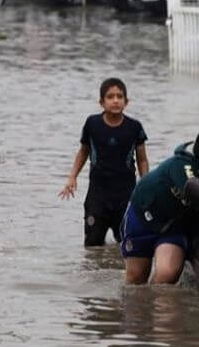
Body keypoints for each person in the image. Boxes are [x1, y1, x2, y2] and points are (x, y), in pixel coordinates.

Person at [120, 127, 199, 285]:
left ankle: (157, 307)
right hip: (142, 218)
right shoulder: (182, 166)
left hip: (173, 227)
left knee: (167, 274)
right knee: (136, 280)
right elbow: (194, 187)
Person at [59, 78, 149, 247]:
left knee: (127, 244)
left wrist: (146, 185)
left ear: (126, 101)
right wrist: (72, 177)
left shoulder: (134, 127)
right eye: (110, 96)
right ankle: (97, 273)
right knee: (93, 246)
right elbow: (83, 151)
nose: (115, 100)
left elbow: (142, 160)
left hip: (126, 196)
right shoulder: (92, 124)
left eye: (119, 96)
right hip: (97, 196)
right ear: (101, 102)